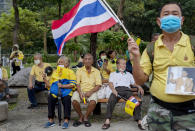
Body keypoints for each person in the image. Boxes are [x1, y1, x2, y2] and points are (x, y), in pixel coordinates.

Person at [128, 2, 195, 131]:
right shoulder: (151, 48)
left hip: (189, 111)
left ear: (182, 20)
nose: (170, 17)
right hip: (158, 110)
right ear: (159, 21)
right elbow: (140, 80)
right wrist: (135, 57)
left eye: (175, 14)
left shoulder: (192, 44)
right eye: (166, 14)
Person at [101, 58, 144, 130]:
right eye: (123, 64)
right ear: (118, 64)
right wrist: (113, 90)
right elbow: (110, 83)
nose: (125, 65)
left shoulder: (129, 74)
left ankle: (139, 121)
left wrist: (139, 87)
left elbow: (133, 83)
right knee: (111, 100)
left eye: (125, 64)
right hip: (117, 90)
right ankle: (107, 121)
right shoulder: (113, 74)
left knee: (135, 101)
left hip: (127, 91)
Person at [43, 56, 76, 129]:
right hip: (55, 91)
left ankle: (66, 120)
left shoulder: (70, 72)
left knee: (67, 99)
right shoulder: (54, 72)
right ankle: (51, 120)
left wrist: (63, 86)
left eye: (62, 62)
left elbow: (73, 85)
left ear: (67, 64)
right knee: (51, 98)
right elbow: (50, 85)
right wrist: (45, 79)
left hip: (66, 91)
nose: (59, 63)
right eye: (59, 62)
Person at [72, 53, 102, 127]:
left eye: (89, 59)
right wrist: (80, 93)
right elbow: (77, 84)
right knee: (74, 101)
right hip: (80, 90)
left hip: (92, 91)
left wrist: (90, 92)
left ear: (92, 61)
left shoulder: (96, 71)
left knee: (93, 102)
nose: (87, 61)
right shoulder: (79, 71)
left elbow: (98, 85)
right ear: (83, 61)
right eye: (86, 59)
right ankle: (81, 116)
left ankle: (85, 117)